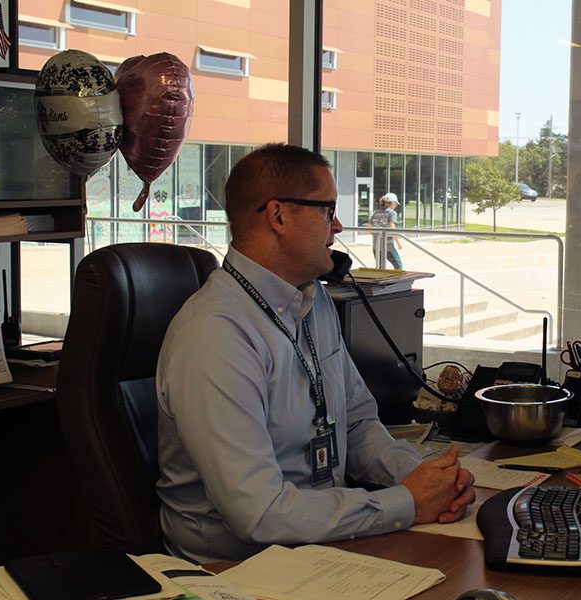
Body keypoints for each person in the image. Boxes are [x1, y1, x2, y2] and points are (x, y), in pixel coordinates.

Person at [156, 143, 475, 563]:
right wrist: (406, 504)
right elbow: (260, 513)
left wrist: (419, 478)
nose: (338, 226)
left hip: (318, 544)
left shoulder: (313, 301)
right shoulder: (215, 334)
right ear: (278, 216)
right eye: (328, 210)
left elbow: (358, 424)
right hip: (235, 569)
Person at [367, 192, 403, 269]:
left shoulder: (375, 213)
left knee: (380, 267)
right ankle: (397, 280)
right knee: (398, 265)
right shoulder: (392, 213)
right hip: (388, 244)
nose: (395, 206)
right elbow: (392, 228)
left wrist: (377, 235)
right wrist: (398, 243)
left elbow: (369, 228)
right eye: (395, 204)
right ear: (391, 203)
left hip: (376, 245)